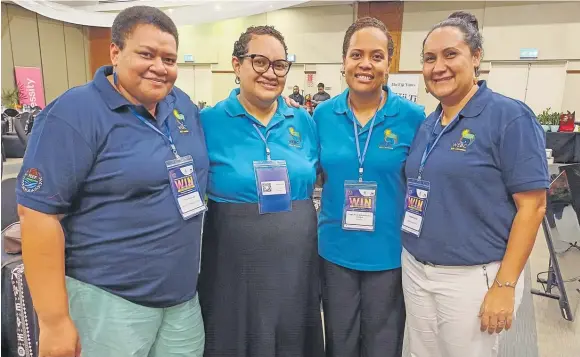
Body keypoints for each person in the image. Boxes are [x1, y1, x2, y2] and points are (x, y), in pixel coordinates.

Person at [16, 6, 207, 357]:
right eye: (146, 54)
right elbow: (37, 215)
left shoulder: (182, 105)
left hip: (181, 302)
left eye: (169, 58)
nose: (160, 67)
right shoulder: (74, 113)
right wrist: (54, 320)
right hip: (108, 303)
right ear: (115, 52)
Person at [401, 11, 549, 357]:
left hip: (472, 277)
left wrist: (505, 285)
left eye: (451, 54)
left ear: (476, 57)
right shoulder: (429, 124)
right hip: (418, 270)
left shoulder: (509, 117)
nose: (439, 66)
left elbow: (534, 206)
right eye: (429, 58)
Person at [198, 25, 324, 357]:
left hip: (297, 267)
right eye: (259, 62)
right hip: (233, 270)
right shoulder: (209, 122)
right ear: (236, 65)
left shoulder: (303, 122)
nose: (270, 72)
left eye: (279, 64)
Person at [314, 17, 425, 357]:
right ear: (343, 61)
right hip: (334, 252)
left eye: (376, 56)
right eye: (356, 54)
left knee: (383, 347)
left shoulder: (413, 117)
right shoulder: (321, 115)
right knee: (340, 345)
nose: (365, 64)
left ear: (388, 64)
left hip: (389, 255)